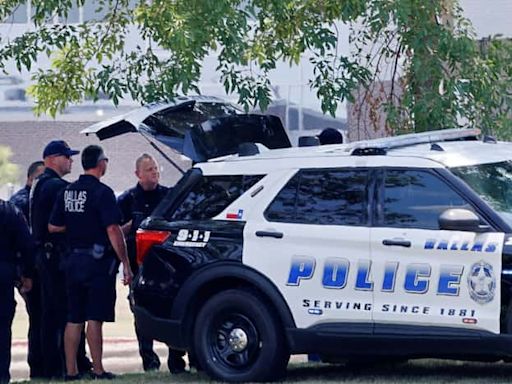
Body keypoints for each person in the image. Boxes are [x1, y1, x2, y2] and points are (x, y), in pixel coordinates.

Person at [49, 144, 133, 380]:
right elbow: (113, 230)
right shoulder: (103, 192)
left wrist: (77, 225)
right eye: (106, 160)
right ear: (100, 163)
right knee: (94, 317)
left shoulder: (67, 192)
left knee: (74, 317)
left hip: (72, 260)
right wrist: (125, 263)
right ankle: (98, 369)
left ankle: (71, 372)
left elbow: (53, 226)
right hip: (97, 264)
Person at [117, 153, 186, 373]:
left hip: (168, 267)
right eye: (149, 169)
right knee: (141, 313)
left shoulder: (168, 196)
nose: (154, 172)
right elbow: (115, 232)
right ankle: (149, 361)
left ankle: (177, 360)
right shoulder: (127, 199)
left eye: (156, 168)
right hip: (140, 266)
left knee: (173, 311)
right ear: (137, 173)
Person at [29, 140, 91, 379]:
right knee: (63, 313)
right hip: (55, 257)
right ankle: (64, 367)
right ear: (53, 158)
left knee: (48, 314)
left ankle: (49, 368)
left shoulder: (39, 183)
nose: (71, 161)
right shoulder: (57, 187)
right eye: (67, 157)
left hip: (44, 256)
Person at [9, 161, 44, 379]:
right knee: (38, 317)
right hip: (27, 270)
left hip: (26, 268)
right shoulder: (22, 203)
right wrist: (24, 274)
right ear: (30, 178)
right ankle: (37, 367)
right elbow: (22, 242)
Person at [0, 199, 34, 384]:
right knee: (2, 331)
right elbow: (26, 244)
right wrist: (27, 274)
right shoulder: (9, 211)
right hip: (3, 276)